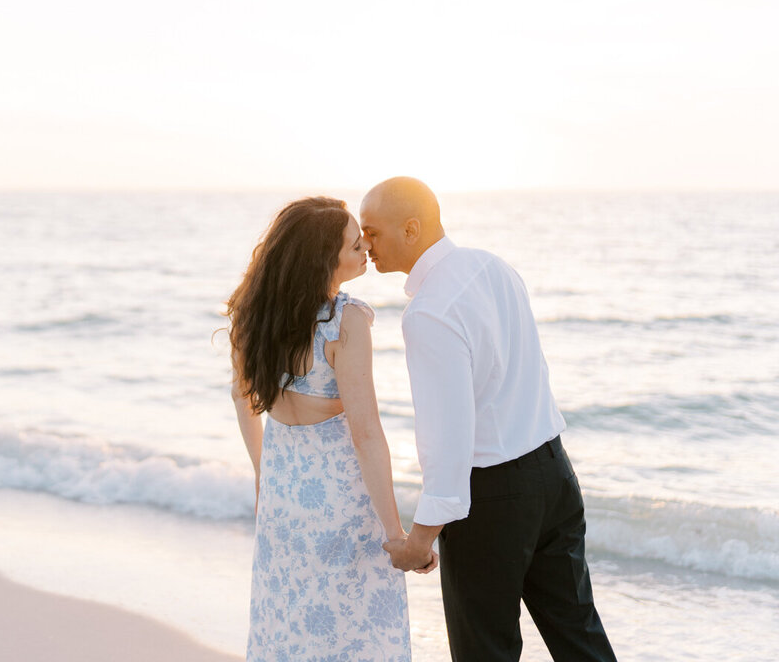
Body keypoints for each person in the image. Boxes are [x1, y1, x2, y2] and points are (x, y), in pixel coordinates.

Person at [361, 178, 617, 662]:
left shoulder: (429, 312)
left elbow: (450, 438)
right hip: (555, 475)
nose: (366, 244)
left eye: (373, 232)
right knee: (580, 637)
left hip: (493, 501)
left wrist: (420, 538)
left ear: (411, 229)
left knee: (485, 654)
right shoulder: (493, 266)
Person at [228, 196, 429, 662]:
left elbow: (242, 398)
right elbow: (366, 434)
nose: (366, 250)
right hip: (342, 506)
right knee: (355, 635)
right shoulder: (346, 320)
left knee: (289, 628)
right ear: (324, 257)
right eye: (355, 244)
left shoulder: (253, 315)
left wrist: (264, 474)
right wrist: (396, 533)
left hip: (282, 500)